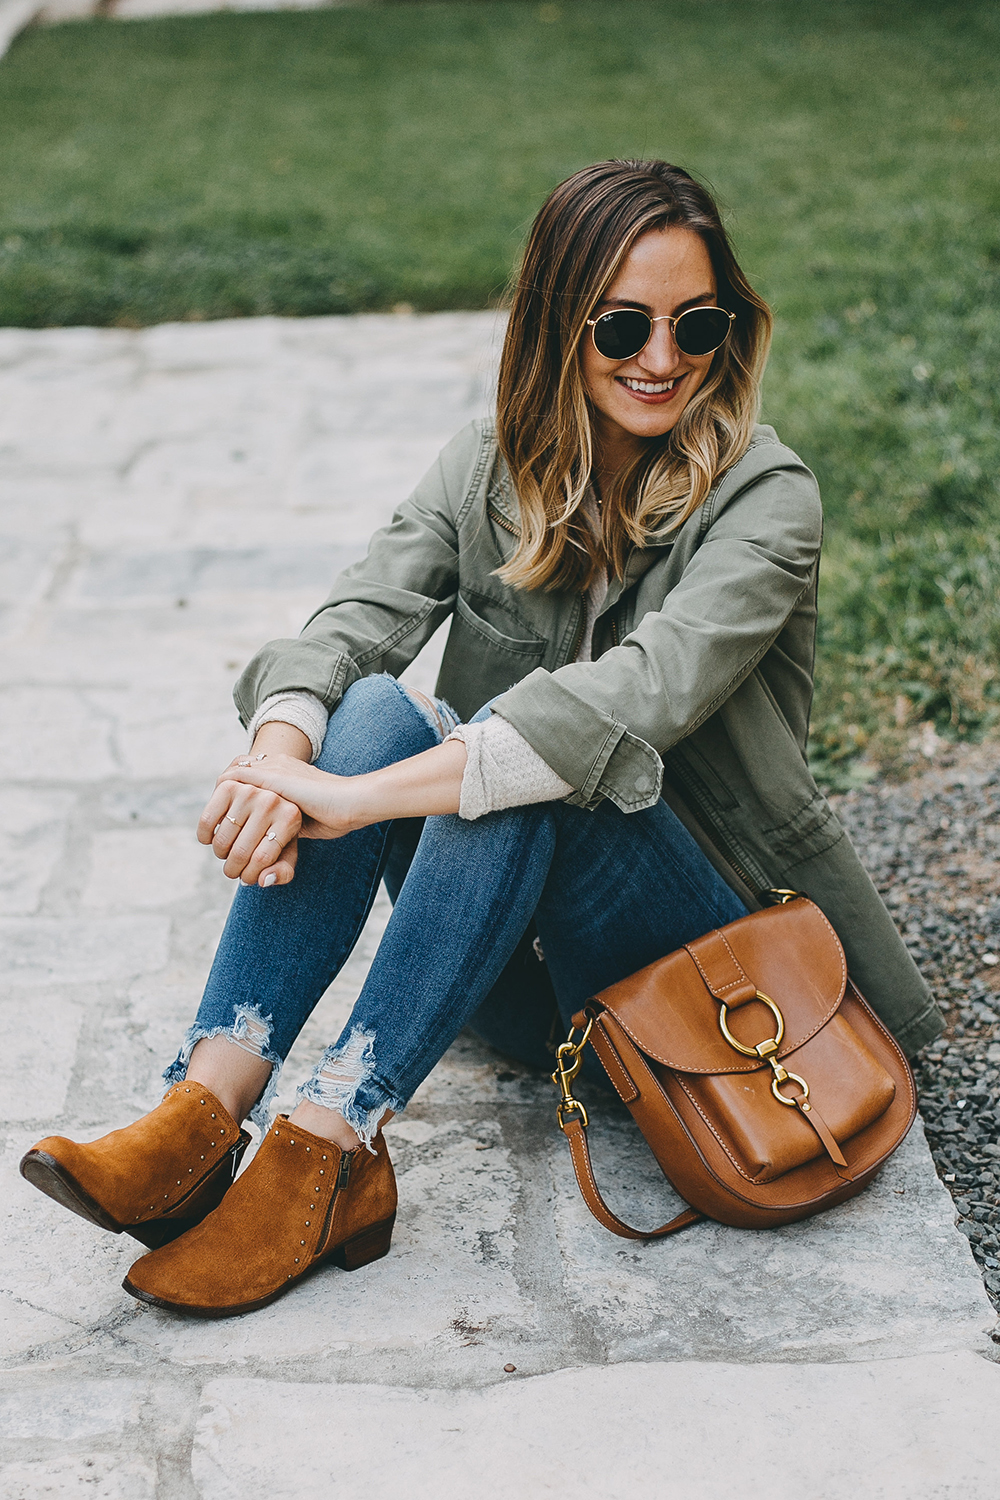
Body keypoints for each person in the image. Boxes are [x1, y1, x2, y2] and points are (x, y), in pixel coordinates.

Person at [20, 160, 942, 1318]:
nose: (662, 359)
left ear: (728, 327)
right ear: (560, 324)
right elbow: (355, 617)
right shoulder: (486, 465)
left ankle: (329, 1142)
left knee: (537, 754)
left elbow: (625, 704)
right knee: (361, 712)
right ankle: (203, 1115)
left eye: (694, 324)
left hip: (711, 974)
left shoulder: (767, 500)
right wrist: (283, 751)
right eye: (622, 326)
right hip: (523, 990)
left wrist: (356, 802)